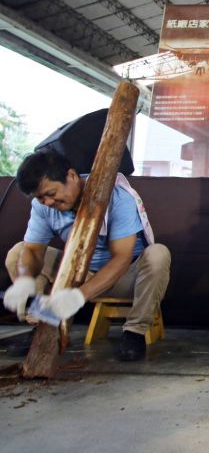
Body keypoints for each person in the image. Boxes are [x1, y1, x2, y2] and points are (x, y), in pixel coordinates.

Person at [3, 150, 171, 361]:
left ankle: (134, 333)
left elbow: (121, 259)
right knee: (18, 253)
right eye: (40, 197)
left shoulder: (118, 198)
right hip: (76, 271)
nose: (46, 202)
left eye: (51, 193)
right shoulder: (42, 206)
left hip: (124, 278)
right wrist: (24, 280)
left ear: (72, 176)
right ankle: (41, 326)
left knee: (158, 254)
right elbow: (32, 250)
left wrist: (77, 297)